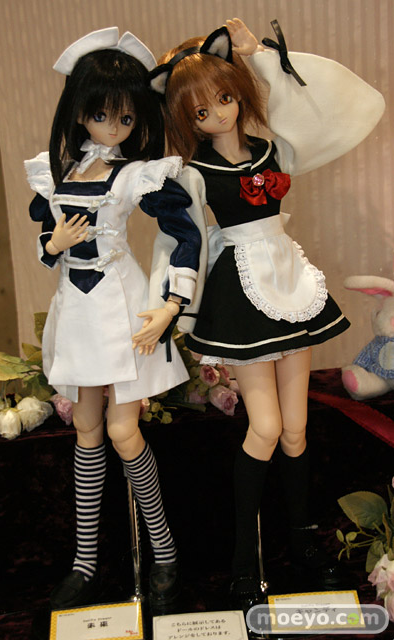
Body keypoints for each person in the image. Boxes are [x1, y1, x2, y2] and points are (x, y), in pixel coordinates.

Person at [149, 18, 385, 610]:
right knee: (267, 427)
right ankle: (244, 560)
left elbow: (324, 113)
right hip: (240, 289)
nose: (219, 114)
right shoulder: (193, 173)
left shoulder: (274, 149)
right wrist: (171, 306)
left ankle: (302, 544)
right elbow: (179, 242)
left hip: (289, 278)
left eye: (225, 98)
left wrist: (262, 59)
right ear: (187, 119)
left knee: (297, 427)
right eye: (202, 111)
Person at [25, 26, 201, 612]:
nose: (113, 128)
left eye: (125, 119)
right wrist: (53, 245)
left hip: (124, 311)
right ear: (79, 113)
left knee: (125, 432)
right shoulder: (56, 174)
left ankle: (165, 553)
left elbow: (185, 234)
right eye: (102, 116)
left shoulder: (133, 176)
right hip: (77, 310)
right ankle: (85, 563)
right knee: (86, 428)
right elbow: (45, 238)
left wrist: (171, 306)